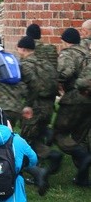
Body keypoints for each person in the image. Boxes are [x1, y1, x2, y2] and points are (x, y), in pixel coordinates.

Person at [15, 36, 63, 177]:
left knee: (26, 140)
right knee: (36, 137)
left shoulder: (24, 65)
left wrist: (27, 104)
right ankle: (40, 164)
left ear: (23, 49)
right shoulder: (46, 64)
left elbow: (27, 88)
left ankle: (46, 161)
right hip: (48, 107)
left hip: (34, 108)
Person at [53, 27, 91, 186]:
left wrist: (56, 82)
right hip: (89, 100)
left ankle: (83, 156)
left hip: (75, 99)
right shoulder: (87, 53)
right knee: (79, 138)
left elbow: (64, 73)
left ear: (66, 41)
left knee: (58, 134)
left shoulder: (69, 53)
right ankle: (82, 178)